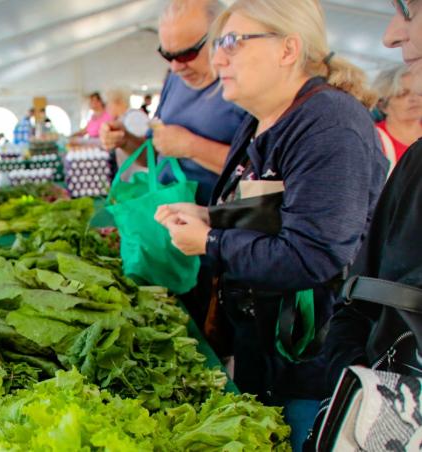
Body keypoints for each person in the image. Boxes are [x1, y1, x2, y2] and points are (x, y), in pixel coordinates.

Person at [155, 1, 386, 450]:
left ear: (288, 49)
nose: (218, 58)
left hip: (311, 361)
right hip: (264, 345)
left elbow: (313, 255)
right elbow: (274, 211)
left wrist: (210, 241)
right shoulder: (261, 120)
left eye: (231, 43)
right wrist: (212, 216)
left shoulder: (329, 125)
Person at [324, 0, 422, 417]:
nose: (390, 36)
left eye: (410, 9)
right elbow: (360, 298)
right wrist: (360, 392)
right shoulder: (415, 163)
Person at [101, 0, 247, 207]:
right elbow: (157, 156)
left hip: (219, 226)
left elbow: (263, 172)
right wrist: (125, 140)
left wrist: (192, 147)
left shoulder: (246, 83)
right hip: (171, 222)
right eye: (167, 56)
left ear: (222, 35)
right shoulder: (174, 79)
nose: (177, 67)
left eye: (187, 54)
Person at [372, 64, 422, 172]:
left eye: (419, 92)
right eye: (402, 94)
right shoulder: (372, 138)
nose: (414, 98)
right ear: (382, 105)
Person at [105, 87, 149, 167]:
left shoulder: (135, 117)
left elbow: (144, 149)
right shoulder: (122, 118)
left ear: (118, 102)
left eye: (108, 103)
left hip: (139, 173)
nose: (107, 108)